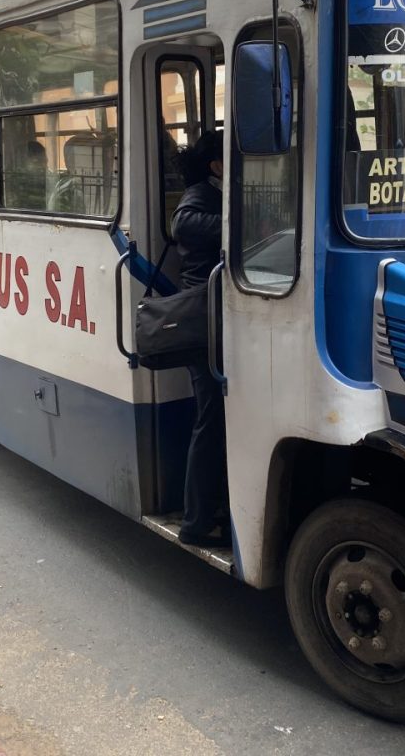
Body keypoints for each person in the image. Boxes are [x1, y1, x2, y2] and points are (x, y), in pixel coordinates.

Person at [171, 130, 229, 547]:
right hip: (204, 321)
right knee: (209, 421)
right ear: (215, 166)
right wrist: (239, 222)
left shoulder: (218, 193)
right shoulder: (199, 195)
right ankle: (195, 522)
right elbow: (182, 224)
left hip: (222, 318)